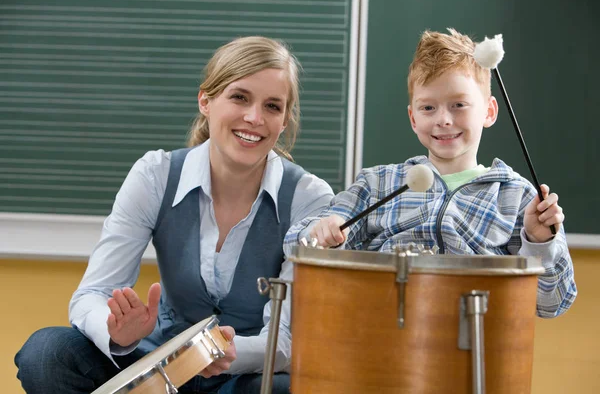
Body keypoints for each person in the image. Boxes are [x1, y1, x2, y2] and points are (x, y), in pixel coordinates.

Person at [15, 36, 334, 393]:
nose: (254, 118)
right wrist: (115, 330)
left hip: (240, 377)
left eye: (272, 106)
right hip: (155, 366)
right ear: (206, 101)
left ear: (285, 119)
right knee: (46, 354)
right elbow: (91, 292)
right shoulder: (156, 174)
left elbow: (287, 339)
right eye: (239, 97)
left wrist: (223, 351)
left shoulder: (309, 198)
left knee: (292, 387)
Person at [284, 28, 576, 318]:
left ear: (489, 111)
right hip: (381, 342)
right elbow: (295, 245)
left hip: (474, 349)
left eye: (458, 105)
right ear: (413, 117)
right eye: (428, 107)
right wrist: (322, 230)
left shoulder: (517, 198)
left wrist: (539, 243)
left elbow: (551, 304)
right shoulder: (377, 184)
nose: (444, 120)